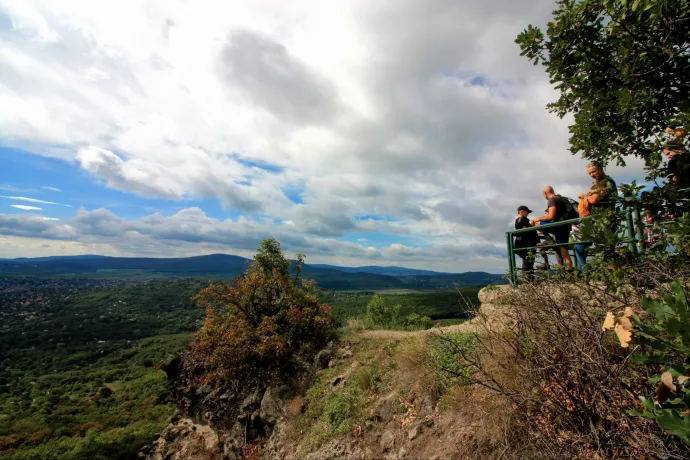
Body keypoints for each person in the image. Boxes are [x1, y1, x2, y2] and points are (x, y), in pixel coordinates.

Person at [574, 163, 618, 270]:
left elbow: (594, 199)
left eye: (593, 171)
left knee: (607, 248)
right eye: (589, 173)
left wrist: (585, 195)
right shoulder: (596, 184)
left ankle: (614, 274)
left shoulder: (606, 182)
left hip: (606, 219)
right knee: (600, 248)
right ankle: (605, 274)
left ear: (601, 169)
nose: (592, 175)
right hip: (597, 220)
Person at [530, 186, 574, 272]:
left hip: (558, 227)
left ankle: (549, 239)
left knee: (536, 223)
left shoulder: (552, 200)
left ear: (545, 194)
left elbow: (550, 216)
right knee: (564, 252)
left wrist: (537, 219)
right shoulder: (563, 198)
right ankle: (570, 272)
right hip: (566, 226)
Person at [514, 206, 539, 281]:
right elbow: (527, 229)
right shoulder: (523, 219)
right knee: (529, 261)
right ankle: (528, 279)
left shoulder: (519, 220)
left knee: (527, 261)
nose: (528, 213)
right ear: (521, 211)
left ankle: (527, 278)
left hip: (523, 243)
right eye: (527, 211)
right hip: (527, 243)